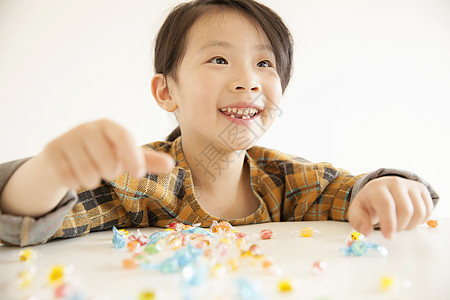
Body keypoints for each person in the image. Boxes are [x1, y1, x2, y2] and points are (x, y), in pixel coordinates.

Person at [0, 0, 438, 247]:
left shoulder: (286, 179)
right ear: (165, 91)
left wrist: (390, 187)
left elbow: (351, 191)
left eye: (265, 63)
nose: (248, 81)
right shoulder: (141, 183)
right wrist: (49, 171)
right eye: (219, 59)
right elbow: (31, 218)